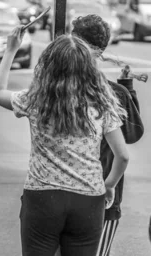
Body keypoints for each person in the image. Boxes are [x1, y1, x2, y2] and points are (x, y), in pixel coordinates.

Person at [0, 29, 130, 256]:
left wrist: (10, 51)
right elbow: (122, 155)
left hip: (42, 197)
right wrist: (109, 185)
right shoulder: (102, 103)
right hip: (88, 199)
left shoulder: (36, 100)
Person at [70, 15, 144, 256]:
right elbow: (131, 134)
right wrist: (127, 88)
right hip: (103, 192)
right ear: (102, 48)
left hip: (61, 192)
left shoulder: (55, 87)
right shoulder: (114, 92)